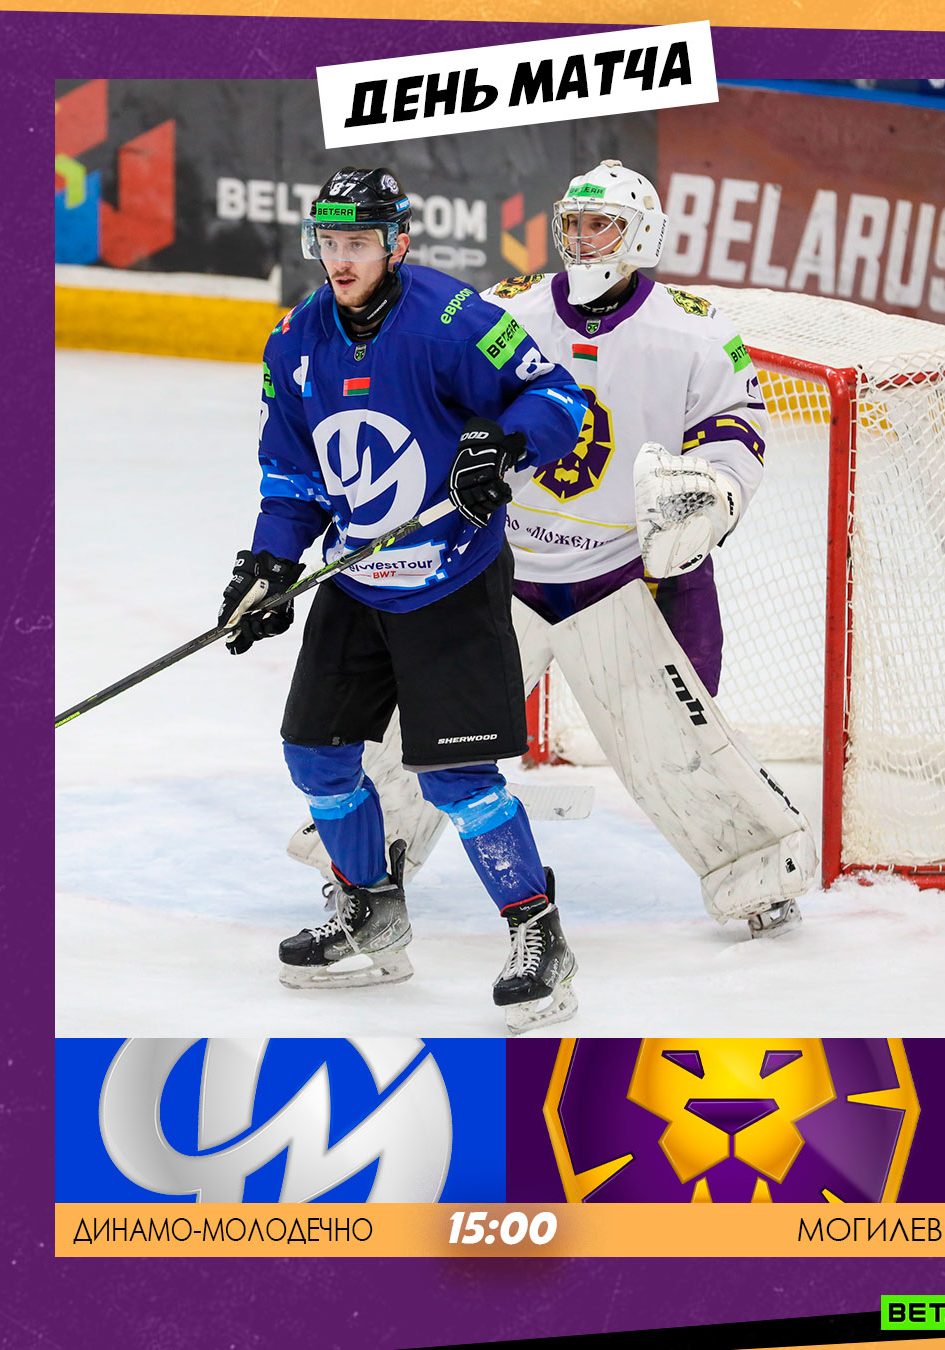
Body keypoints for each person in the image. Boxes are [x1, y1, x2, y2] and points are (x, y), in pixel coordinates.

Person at [288, 160, 817, 941]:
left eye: (601, 225)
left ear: (642, 235)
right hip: (499, 568)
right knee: (415, 737)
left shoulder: (697, 330)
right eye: (573, 222)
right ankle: (363, 870)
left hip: (621, 576)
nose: (583, 238)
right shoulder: (510, 309)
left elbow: (735, 429)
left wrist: (714, 493)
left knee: (673, 746)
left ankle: (760, 877)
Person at [218, 165, 589, 1034]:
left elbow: (557, 397)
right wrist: (271, 565)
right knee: (315, 755)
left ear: (398, 244)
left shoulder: (454, 321)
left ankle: (538, 932)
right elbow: (293, 477)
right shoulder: (294, 342)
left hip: (450, 579)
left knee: (456, 777)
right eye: (329, 243)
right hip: (357, 579)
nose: (341, 260)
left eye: (358, 243)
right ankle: (371, 909)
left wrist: (504, 445)